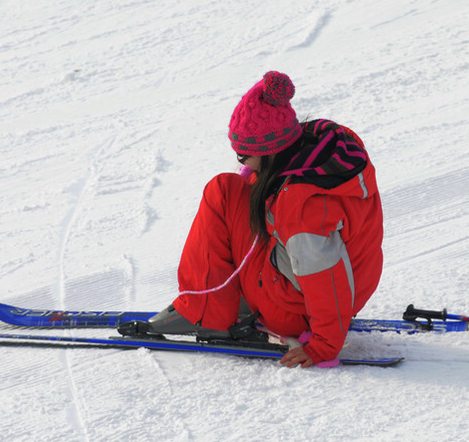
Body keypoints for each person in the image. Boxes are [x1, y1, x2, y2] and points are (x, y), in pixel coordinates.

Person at [148, 71, 383, 368]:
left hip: (299, 308)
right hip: (340, 290)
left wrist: (324, 344)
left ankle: (204, 311)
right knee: (233, 190)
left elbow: (325, 273)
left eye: (244, 155)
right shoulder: (321, 150)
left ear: (270, 152)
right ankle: (223, 297)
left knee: (220, 192)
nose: (239, 161)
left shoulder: (301, 207)